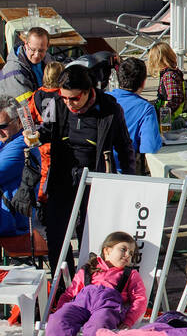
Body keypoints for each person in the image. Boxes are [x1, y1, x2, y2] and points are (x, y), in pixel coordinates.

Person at [30, 64, 137, 266]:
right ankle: (63, 284)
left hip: (95, 174)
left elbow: (124, 146)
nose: (69, 103)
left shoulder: (109, 108)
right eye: (65, 98)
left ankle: (90, 282)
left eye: (75, 98)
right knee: (56, 232)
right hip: (63, 172)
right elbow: (47, 129)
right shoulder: (55, 103)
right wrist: (36, 137)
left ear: (88, 92)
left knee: (90, 233)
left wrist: (128, 180)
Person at [34, 232, 146, 336]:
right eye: (123, 249)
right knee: (57, 321)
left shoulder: (130, 275)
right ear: (107, 250)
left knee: (96, 330)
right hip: (81, 304)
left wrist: (128, 321)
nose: (128, 255)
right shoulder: (87, 270)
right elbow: (70, 293)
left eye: (131, 253)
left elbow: (140, 300)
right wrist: (61, 309)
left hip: (107, 307)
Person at [107, 57, 163, 168]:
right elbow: (150, 147)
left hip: (98, 167)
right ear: (143, 83)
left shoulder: (104, 99)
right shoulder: (145, 109)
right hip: (126, 169)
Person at [0, 96, 38, 236]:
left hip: (12, 222)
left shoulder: (22, 144)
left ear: (19, 122)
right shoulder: (7, 140)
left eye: (3, 126)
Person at [0, 26, 52, 100]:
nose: (36, 55)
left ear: (47, 47)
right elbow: (28, 105)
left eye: (41, 50)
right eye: (33, 50)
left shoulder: (48, 59)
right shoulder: (15, 72)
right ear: (26, 44)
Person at [146, 42, 186, 118]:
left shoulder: (168, 76)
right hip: (169, 115)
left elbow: (174, 100)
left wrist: (162, 115)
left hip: (169, 118)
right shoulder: (170, 73)